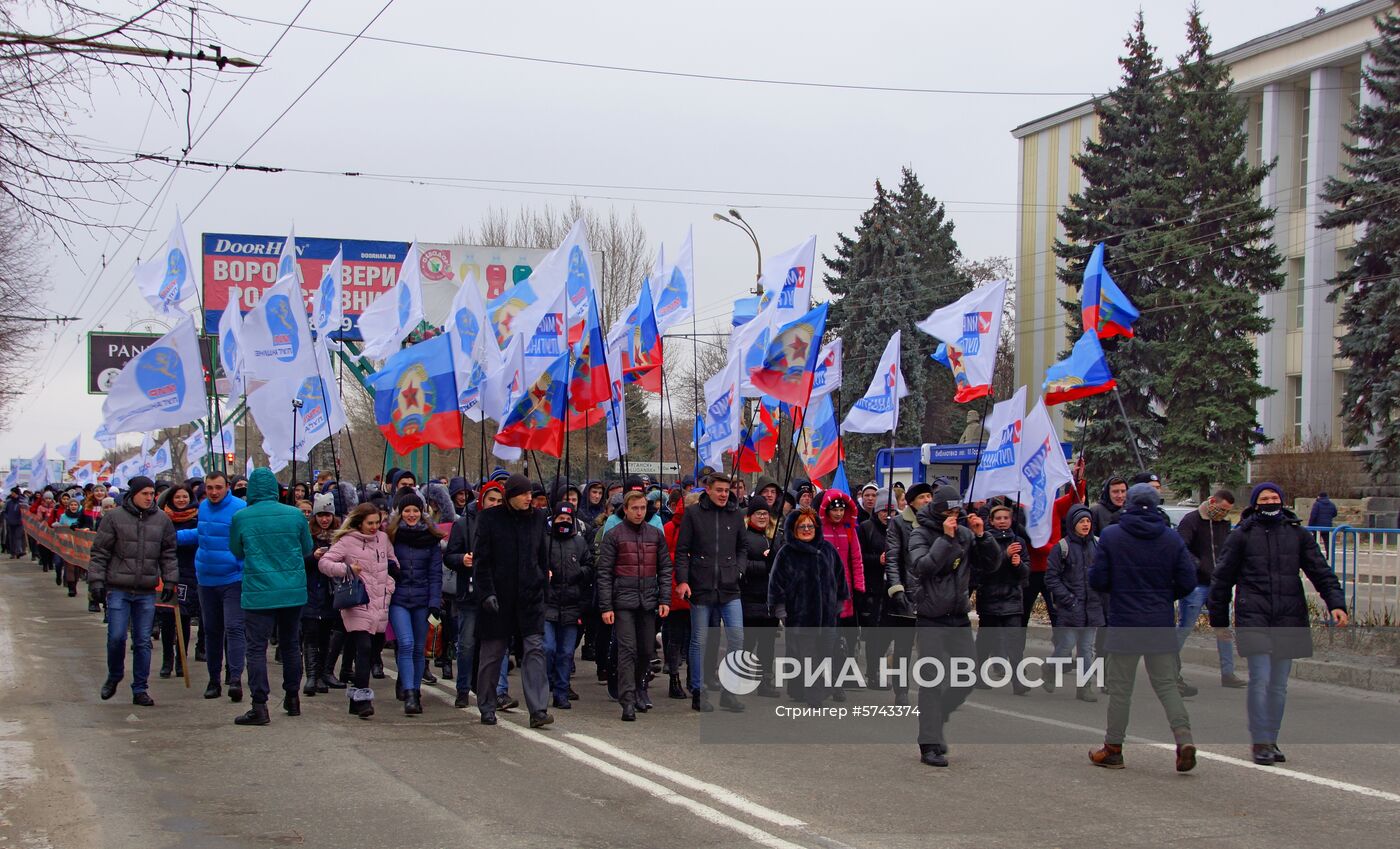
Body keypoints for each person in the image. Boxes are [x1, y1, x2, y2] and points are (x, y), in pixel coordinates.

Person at [1209, 482, 1348, 766]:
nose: (1270, 501)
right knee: (1260, 679)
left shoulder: (1296, 533)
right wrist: (1219, 620)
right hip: (1254, 614)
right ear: (1255, 502)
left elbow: (1320, 570)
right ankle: (1259, 741)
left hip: (1289, 615)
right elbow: (1222, 579)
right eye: (1265, 497)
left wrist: (1336, 603)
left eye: (1275, 497)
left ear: (1282, 501)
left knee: (1279, 685)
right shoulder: (1242, 535)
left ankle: (1271, 738)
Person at [1088, 483, 1198, 772]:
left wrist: (1119, 591)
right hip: (1159, 622)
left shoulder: (1112, 535)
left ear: (1130, 504)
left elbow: (1098, 580)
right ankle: (1183, 738)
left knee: (1121, 689)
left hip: (1124, 621)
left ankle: (1113, 749)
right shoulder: (1171, 538)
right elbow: (1188, 582)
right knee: (1167, 685)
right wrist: (1163, 597)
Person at [905, 485, 998, 767]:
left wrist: (983, 535)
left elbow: (992, 565)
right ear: (937, 510)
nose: (954, 517)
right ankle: (929, 743)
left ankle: (940, 713)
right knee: (932, 681)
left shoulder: (966, 533)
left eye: (957, 512)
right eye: (949, 512)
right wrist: (945, 539)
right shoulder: (921, 533)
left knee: (967, 675)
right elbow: (922, 566)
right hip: (931, 616)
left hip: (958, 616)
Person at [227, 468, 313, 726]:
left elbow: (236, 551)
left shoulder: (241, 517)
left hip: (259, 591)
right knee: (290, 645)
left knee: (256, 648)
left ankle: (259, 705)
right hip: (292, 590)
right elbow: (307, 548)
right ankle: (293, 697)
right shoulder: (296, 515)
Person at [86, 476, 177, 706]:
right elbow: (100, 553)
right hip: (118, 588)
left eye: (152, 493)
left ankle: (140, 688)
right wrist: (96, 582)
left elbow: (168, 554)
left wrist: (169, 581)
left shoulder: (162, 519)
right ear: (133, 494)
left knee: (143, 641)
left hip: (146, 590)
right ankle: (115, 675)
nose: (149, 498)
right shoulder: (114, 518)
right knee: (116, 636)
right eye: (144, 493)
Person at [474, 473, 554, 729]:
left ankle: (538, 709)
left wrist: (542, 584)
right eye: (524, 494)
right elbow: (481, 561)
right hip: (498, 597)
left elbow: (542, 555)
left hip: (529, 597)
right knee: (493, 654)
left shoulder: (538, 519)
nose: (529, 498)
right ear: (510, 496)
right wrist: (486, 593)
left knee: (534, 649)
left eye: (531, 493)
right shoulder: (489, 519)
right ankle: (487, 705)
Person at [673, 472, 748, 713]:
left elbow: (742, 548)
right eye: (719, 490)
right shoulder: (693, 514)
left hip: (729, 586)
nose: (724, 495)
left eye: (727, 491)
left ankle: (730, 692)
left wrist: (739, 570)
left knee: (737, 638)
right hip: (701, 586)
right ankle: (698, 692)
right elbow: (682, 550)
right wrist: (683, 581)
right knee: (700, 641)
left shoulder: (736, 514)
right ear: (708, 490)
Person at [597, 491, 673, 721]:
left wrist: (664, 600)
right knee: (627, 649)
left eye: (642, 508)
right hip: (623, 602)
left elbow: (665, 569)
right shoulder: (614, 535)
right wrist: (606, 606)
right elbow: (604, 573)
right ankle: (627, 699)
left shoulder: (655, 535)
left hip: (648, 601)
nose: (639, 512)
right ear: (626, 510)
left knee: (645, 651)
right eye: (635, 508)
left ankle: (641, 688)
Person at [319, 503, 396, 719]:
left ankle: (354, 699)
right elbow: (325, 563)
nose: (374, 527)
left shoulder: (383, 538)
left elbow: (391, 559)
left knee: (373, 649)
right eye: (369, 523)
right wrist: (346, 569)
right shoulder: (346, 541)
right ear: (359, 522)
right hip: (357, 600)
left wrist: (391, 579)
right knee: (363, 646)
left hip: (380, 600)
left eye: (377, 522)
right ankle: (364, 700)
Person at [178, 470, 248, 703]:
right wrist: (171, 536)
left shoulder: (240, 508)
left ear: (227, 487)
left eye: (218, 487)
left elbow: (247, 540)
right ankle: (213, 680)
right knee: (211, 631)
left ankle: (235, 678)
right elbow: (202, 534)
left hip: (232, 579)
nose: (214, 492)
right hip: (206, 579)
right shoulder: (204, 507)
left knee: (235, 628)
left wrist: (240, 565)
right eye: (210, 488)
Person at [768, 506, 849, 707]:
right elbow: (776, 583)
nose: (806, 529)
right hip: (800, 616)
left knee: (826, 653)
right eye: (801, 526)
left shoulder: (828, 550)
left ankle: (809, 689)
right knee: (808, 657)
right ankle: (814, 696)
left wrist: (839, 603)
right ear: (793, 529)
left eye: (810, 525)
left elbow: (840, 577)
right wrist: (780, 610)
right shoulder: (786, 553)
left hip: (828, 616)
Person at [1175, 490, 1244, 690]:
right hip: (1197, 583)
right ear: (1213, 502)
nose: (1223, 513)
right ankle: (1169, 668)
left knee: (1223, 629)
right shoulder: (1191, 520)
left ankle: (1228, 673)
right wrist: (1198, 565)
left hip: (1218, 584)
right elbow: (1182, 547)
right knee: (1185, 627)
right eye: (1222, 509)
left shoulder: (1223, 523)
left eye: (1227, 511)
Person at [385, 492, 443, 716]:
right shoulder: (391, 536)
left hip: (422, 600)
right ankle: (408, 692)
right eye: (407, 511)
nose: (411, 515)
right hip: (399, 598)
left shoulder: (431, 538)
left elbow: (435, 574)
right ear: (400, 513)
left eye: (415, 511)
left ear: (422, 513)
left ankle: (416, 690)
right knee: (406, 644)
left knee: (419, 649)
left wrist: (435, 602)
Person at [1044, 504, 1104, 701]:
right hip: (1070, 607)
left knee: (1087, 648)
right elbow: (1051, 578)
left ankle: (1084, 687)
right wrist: (1068, 599)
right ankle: (1051, 668)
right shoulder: (1062, 547)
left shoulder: (1098, 544)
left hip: (1092, 607)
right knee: (1066, 645)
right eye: (1081, 522)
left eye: (1088, 521)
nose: (1085, 524)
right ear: (1072, 524)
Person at [443, 481, 494, 708]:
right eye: (490, 499)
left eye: (498, 500)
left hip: (495, 592)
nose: (494, 504)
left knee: (490, 645)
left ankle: (485, 687)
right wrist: (461, 559)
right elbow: (449, 556)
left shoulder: (505, 524)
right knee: (466, 644)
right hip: (470, 594)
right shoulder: (463, 524)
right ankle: (462, 688)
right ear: (481, 500)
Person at [883, 481, 934, 705]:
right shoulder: (898, 523)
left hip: (933, 595)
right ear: (912, 501)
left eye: (929, 496)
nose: (927, 501)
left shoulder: (938, 522)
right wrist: (897, 589)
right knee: (903, 647)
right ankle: (901, 689)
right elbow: (892, 558)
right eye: (922, 497)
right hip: (908, 592)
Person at [543, 502, 593, 711]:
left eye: (567, 519)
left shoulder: (579, 543)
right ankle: (545, 686)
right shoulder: (545, 542)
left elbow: (590, 566)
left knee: (565, 652)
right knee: (548, 649)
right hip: (548, 605)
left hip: (572, 606)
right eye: (560, 519)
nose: (563, 522)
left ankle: (562, 693)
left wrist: (579, 573)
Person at [977, 503, 1031, 694]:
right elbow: (985, 569)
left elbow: (1026, 572)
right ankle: (978, 674)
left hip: (1012, 598)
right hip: (990, 597)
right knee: (986, 640)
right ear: (991, 521)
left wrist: (1018, 564)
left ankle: (1018, 681)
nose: (1002, 522)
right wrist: (1005, 556)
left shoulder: (1018, 542)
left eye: (1005, 518)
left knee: (1014, 642)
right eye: (998, 518)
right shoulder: (985, 540)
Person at [818, 489, 864, 701]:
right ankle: (823, 681)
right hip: (823, 593)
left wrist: (859, 587)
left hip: (844, 594)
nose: (837, 513)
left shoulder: (850, 530)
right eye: (834, 509)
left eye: (841, 509)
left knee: (843, 640)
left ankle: (838, 682)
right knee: (827, 640)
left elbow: (856, 560)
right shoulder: (819, 529)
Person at [738, 497, 780, 698]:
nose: (762, 517)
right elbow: (743, 565)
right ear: (750, 516)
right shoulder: (744, 537)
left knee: (767, 643)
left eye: (765, 513)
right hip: (749, 597)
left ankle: (766, 680)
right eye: (758, 513)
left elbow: (782, 563)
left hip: (769, 599)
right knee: (748, 641)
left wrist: (774, 561)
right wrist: (765, 564)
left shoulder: (775, 537)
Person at [301, 494, 341, 696]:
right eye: (320, 515)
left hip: (330, 592)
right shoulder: (307, 536)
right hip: (311, 590)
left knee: (326, 634)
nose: (324, 519)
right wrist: (312, 557)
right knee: (311, 635)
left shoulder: (339, 536)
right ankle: (311, 676)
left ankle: (324, 672)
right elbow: (298, 561)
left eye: (327, 515)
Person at [158, 485, 199, 678]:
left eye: (185, 497)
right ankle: (167, 659)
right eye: (178, 497)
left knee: (183, 617)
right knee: (166, 616)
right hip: (166, 573)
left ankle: (181, 658)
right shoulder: (163, 519)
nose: (181, 500)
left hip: (188, 573)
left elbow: (196, 540)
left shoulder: (196, 519)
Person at [857, 490, 894, 681]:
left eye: (892, 511)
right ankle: (873, 671)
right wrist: (876, 560)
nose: (888, 515)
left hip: (892, 588)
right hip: (872, 587)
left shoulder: (898, 529)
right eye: (884, 510)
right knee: (873, 632)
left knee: (887, 631)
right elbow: (858, 556)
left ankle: (878, 666)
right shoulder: (866, 528)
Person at [662, 492, 692, 700]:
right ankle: (674, 677)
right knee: (675, 637)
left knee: (693, 639)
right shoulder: (670, 529)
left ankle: (693, 678)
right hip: (675, 589)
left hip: (695, 589)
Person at [5, 487, 28, 558]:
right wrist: (7, 518)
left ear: (16, 493)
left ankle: (19, 551)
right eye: (11, 492)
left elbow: (26, 510)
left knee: (18, 537)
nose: (12, 494)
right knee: (11, 538)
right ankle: (13, 553)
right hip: (10, 522)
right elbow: (5, 511)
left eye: (13, 492)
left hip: (19, 522)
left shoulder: (22, 501)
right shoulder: (8, 502)